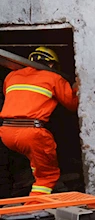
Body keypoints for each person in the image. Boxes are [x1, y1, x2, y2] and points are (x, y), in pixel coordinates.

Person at [0, 47, 79, 195]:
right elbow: (72, 105)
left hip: (6, 133)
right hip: (31, 133)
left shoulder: (11, 77)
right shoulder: (54, 78)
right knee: (47, 176)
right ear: (51, 65)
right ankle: (34, 208)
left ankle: (24, 189)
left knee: (30, 164)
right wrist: (75, 88)